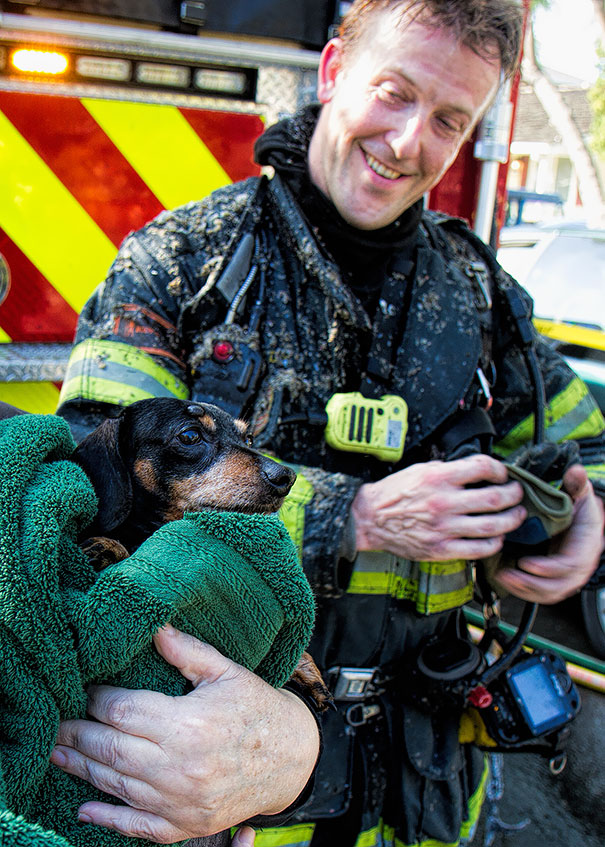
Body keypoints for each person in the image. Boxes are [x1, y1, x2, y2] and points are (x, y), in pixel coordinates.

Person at [52, 1, 605, 846]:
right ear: (334, 71)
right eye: (394, 92)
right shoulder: (184, 261)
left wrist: (587, 517)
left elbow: (588, 442)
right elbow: (92, 499)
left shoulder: (480, 295)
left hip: (423, 778)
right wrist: (355, 514)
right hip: (228, 775)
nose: (410, 141)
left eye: (450, 120)